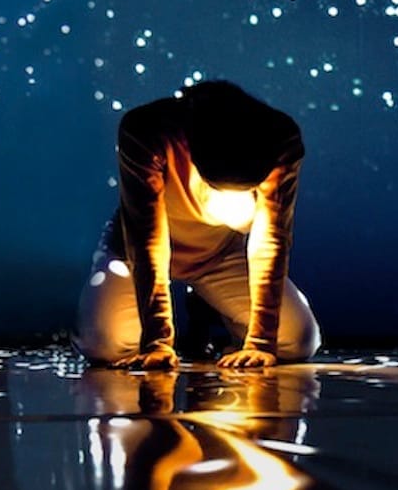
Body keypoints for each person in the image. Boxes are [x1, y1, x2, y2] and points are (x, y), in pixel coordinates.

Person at [74, 80, 321, 369]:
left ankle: (208, 307)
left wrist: (261, 342)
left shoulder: (282, 139)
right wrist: (157, 342)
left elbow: (271, 239)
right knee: (105, 346)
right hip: (133, 253)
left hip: (219, 252)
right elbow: (146, 239)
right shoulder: (146, 129)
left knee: (298, 341)